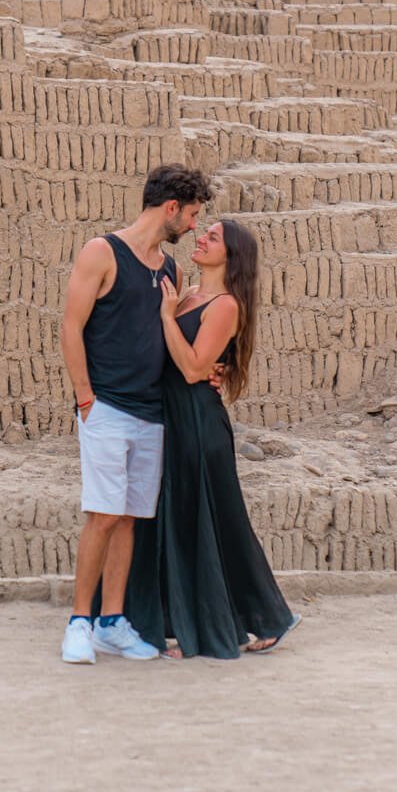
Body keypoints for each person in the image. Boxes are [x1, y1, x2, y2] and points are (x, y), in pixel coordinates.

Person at [58, 163, 217, 664]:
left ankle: (112, 621)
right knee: (103, 515)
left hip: (152, 413)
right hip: (107, 406)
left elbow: (180, 330)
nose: (193, 225)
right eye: (192, 215)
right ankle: (79, 622)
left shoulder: (169, 269)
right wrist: (85, 398)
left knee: (128, 519)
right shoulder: (101, 252)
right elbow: (70, 325)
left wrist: (213, 370)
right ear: (171, 208)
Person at [122, 216, 301, 659]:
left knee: (209, 526)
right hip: (173, 421)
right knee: (180, 523)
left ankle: (237, 623)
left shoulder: (223, 306)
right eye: (203, 233)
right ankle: (179, 622)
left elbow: (193, 369)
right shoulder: (187, 295)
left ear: (231, 255)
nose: (200, 238)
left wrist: (165, 316)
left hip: (199, 426)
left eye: (213, 237)